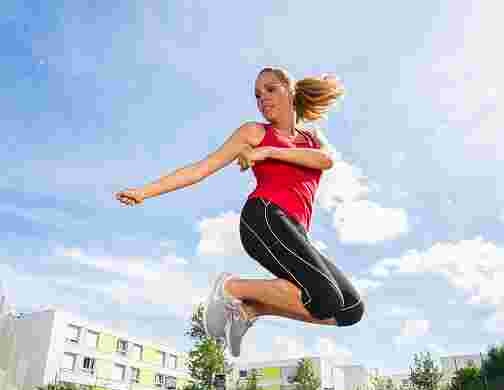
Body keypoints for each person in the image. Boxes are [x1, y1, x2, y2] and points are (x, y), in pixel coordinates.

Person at [115, 67, 365, 357]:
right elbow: (199, 169)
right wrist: (145, 192)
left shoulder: (311, 139)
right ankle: (230, 287)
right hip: (265, 217)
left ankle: (249, 310)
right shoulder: (254, 132)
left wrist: (269, 153)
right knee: (325, 298)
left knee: (349, 309)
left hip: (295, 231)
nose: (262, 99)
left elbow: (324, 161)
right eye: (257, 95)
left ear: (290, 90)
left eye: (270, 89)